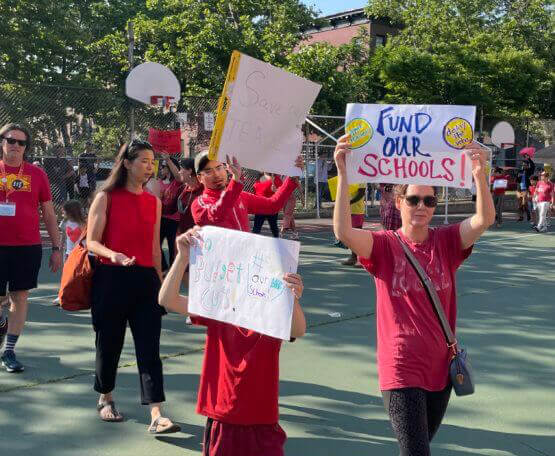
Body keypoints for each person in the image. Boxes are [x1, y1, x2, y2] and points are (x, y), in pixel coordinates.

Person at [333, 133, 495, 456]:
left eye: (429, 201)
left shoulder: (446, 242)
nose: (421, 207)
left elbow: (483, 219)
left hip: (440, 370)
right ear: (399, 202)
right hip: (400, 368)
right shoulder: (383, 246)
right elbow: (343, 232)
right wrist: (343, 172)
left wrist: (480, 176)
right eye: (413, 200)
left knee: (419, 446)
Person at [159, 227, 307, 456]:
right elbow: (167, 299)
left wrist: (293, 298)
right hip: (223, 417)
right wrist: (182, 256)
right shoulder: (220, 309)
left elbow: (299, 329)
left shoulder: (272, 314)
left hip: (263, 420)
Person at [86, 139, 179, 433]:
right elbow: (91, 241)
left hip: (145, 281)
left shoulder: (153, 202)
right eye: (144, 161)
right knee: (109, 342)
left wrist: (162, 284)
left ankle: (156, 413)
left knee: (149, 348)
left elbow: (154, 249)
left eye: (153, 162)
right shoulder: (106, 197)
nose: (150, 167)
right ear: (126, 163)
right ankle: (106, 397)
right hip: (111, 278)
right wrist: (112, 254)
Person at [0, 123, 62, 373]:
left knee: (20, 296)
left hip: (27, 247)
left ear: (26, 147)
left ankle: (10, 350)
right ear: (2, 142)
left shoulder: (37, 174)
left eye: (20, 142)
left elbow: (48, 212)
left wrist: (57, 248)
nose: (15, 145)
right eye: (10, 140)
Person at [191, 151, 301, 232]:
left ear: (225, 169)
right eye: (208, 171)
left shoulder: (240, 196)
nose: (216, 174)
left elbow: (273, 205)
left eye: (219, 168)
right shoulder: (199, 204)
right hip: (221, 263)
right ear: (200, 178)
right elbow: (217, 215)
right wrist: (235, 181)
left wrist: (291, 178)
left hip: (245, 261)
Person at [157, 156, 183, 273]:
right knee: (157, 243)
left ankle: (173, 269)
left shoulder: (177, 182)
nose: (161, 169)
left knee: (173, 246)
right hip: (161, 218)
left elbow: (178, 176)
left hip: (174, 219)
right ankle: (163, 266)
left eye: (163, 166)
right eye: (161, 166)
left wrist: (168, 160)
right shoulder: (159, 182)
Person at [341, 182, 366, 266]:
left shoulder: (361, 179)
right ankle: (353, 257)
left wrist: (349, 202)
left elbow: (361, 193)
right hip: (348, 210)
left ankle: (360, 259)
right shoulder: (348, 178)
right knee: (351, 235)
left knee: (357, 236)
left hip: (357, 211)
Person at [252, 172, 283, 238]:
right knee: (256, 229)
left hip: (271, 208)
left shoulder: (276, 179)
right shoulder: (259, 177)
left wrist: (276, 191)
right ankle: (253, 245)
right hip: (259, 207)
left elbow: (282, 193)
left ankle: (278, 244)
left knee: (274, 228)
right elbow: (256, 192)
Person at [177, 157, 203, 235]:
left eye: (181, 169)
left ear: (189, 171)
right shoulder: (181, 189)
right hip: (183, 236)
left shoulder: (204, 190)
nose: (179, 172)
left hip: (199, 237)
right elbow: (170, 209)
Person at [280, 175, 300, 240]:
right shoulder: (280, 176)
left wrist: (302, 198)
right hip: (283, 198)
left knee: (287, 214)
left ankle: (282, 231)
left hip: (291, 198)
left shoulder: (292, 176)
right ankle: (295, 233)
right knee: (290, 216)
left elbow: (299, 186)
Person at [516, 156, 535, 221]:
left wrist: (528, 158)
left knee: (524, 203)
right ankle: (521, 217)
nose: (523, 166)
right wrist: (518, 177)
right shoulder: (520, 171)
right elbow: (517, 180)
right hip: (519, 189)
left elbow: (533, 166)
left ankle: (528, 214)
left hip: (525, 189)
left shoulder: (529, 171)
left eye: (525, 165)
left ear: (527, 165)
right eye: (523, 165)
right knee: (519, 204)